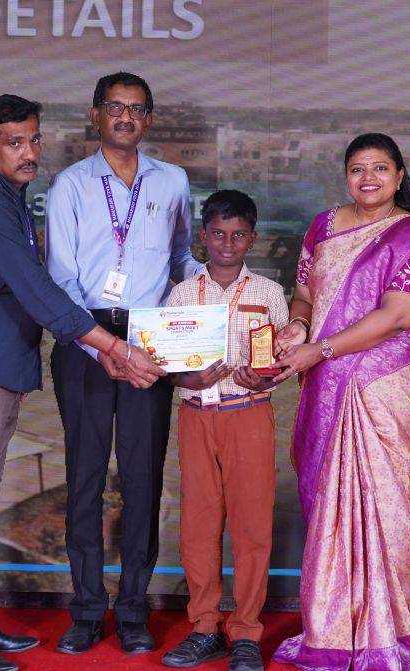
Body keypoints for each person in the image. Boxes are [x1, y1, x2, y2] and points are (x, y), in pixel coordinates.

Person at [0, 94, 162, 671]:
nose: (28, 152)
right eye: (14, 143)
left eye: (33, 139)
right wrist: (111, 346)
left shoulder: (7, 196)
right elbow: (36, 291)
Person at [270, 134, 410, 671]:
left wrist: (319, 350)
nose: (368, 178)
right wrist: (297, 326)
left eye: (380, 168)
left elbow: (401, 315)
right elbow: (305, 295)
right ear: (345, 175)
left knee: (387, 502)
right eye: (358, 168)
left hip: (389, 382)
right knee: (330, 502)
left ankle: (388, 632)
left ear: (400, 176)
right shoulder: (323, 227)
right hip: (327, 379)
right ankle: (332, 630)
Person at [45, 71, 201, 655]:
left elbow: (181, 257)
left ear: (149, 120)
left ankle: (133, 610)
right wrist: (99, 347)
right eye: (115, 107)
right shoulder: (69, 186)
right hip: (85, 337)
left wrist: (220, 290)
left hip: (150, 340)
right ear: (95, 115)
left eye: (136, 109)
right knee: (85, 479)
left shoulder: (173, 180)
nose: (125, 117)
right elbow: (59, 279)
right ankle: (87, 611)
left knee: (143, 479)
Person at [159, 189, 290, 671]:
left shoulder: (269, 293)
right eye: (218, 234)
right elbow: (165, 361)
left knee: (252, 525)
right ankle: (204, 627)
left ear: (252, 239)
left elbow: (281, 361)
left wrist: (267, 376)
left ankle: (247, 632)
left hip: (249, 413)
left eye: (238, 235)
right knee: (198, 524)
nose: (227, 244)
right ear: (203, 237)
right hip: (196, 415)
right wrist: (184, 379)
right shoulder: (182, 294)